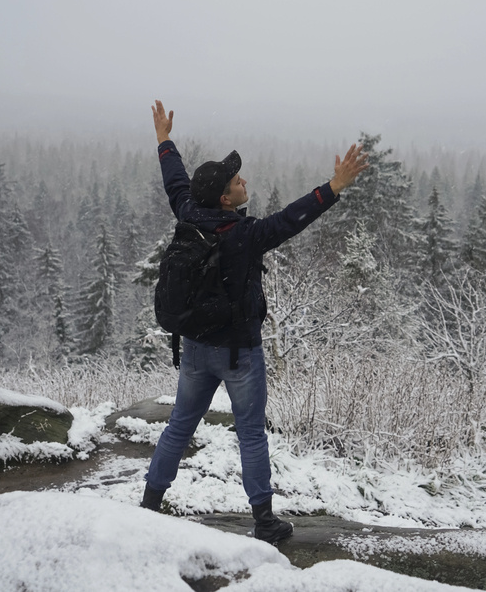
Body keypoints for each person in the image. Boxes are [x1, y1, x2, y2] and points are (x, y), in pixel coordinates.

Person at [141, 100, 369, 544]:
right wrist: (334, 187)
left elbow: (176, 183)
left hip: (194, 348)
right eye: (236, 180)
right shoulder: (243, 236)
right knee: (250, 433)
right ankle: (264, 520)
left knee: (180, 425)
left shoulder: (189, 214)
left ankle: (149, 506)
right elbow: (290, 221)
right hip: (239, 353)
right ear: (226, 198)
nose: (243, 180)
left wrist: (164, 140)